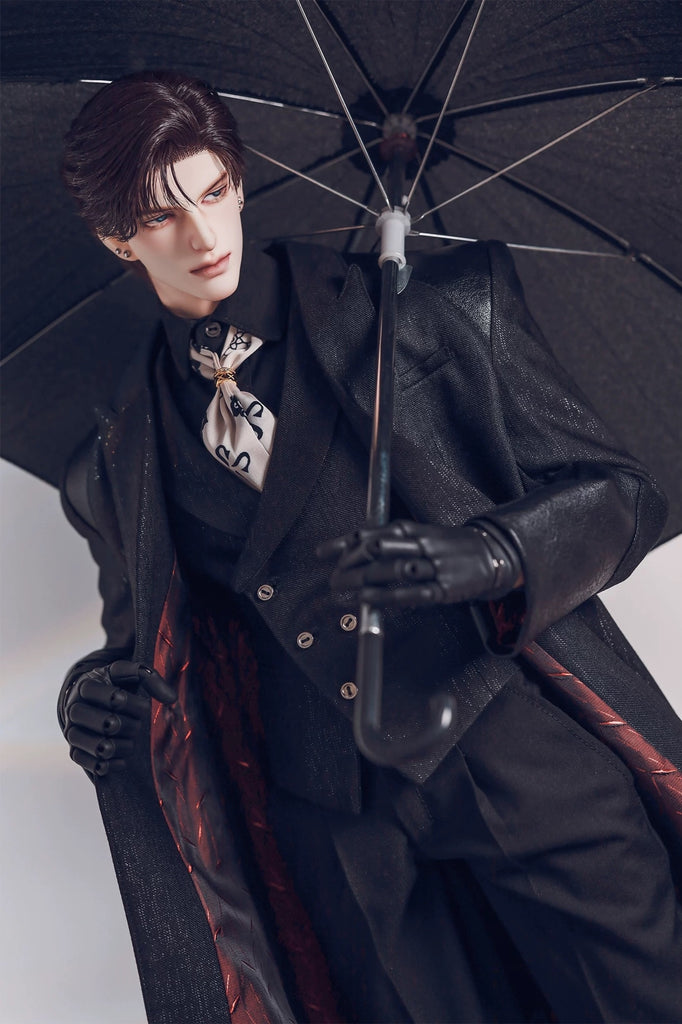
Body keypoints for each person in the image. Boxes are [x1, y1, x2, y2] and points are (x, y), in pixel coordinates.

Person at [57, 70, 682, 1024]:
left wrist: (499, 554)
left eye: (214, 190)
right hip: (338, 829)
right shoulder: (118, 457)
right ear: (116, 240)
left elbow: (623, 495)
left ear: (239, 179)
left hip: (514, 753)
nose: (204, 234)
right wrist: (87, 696)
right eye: (160, 215)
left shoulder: (430, 310)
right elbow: (148, 645)